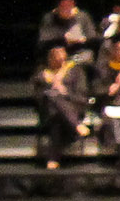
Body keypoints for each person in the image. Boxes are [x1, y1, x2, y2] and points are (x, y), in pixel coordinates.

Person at [33, 42, 88, 170]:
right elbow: (37, 98)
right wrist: (49, 85)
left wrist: (65, 92)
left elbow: (82, 97)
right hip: (49, 114)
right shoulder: (41, 75)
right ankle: (76, 125)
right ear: (49, 58)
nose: (59, 58)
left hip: (74, 109)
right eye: (54, 55)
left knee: (57, 113)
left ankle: (53, 158)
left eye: (61, 54)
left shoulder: (75, 71)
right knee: (52, 97)